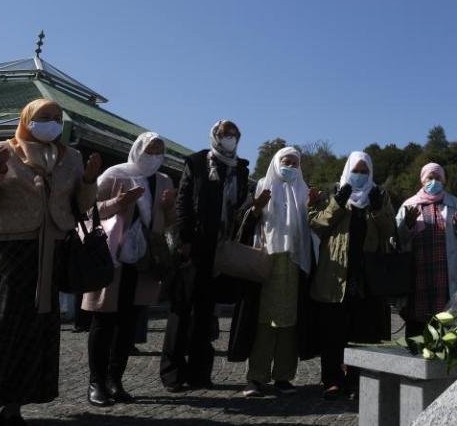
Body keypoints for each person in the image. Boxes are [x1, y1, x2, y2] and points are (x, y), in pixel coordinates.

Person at [0, 98, 101, 426]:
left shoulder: (71, 157)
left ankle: (14, 406)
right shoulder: (1, 149)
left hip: (54, 250)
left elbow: (82, 207)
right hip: (9, 249)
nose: (52, 122)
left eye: (57, 118)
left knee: (36, 329)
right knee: (1, 325)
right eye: (44, 117)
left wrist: (88, 181)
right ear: (27, 119)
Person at [83, 133, 176, 406]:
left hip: (145, 261)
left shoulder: (164, 180)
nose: (155, 154)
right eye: (150, 148)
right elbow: (88, 209)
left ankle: (115, 379)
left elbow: (169, 223)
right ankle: (96, 382)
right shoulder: (115, 175)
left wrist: (169, 208)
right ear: (138, 148)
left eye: (160, 150)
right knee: (104, 321)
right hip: (111, 258)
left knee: (128, 323)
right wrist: (119, 203)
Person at [160, 120, 249, 392]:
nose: (229, 138)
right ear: (215, 135)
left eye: (234, 134)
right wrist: (184, 239)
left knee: (206, 313)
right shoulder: (198, 162)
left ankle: (200, 372)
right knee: (181, 312)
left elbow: (238, 206)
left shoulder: (240, 168)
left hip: (221, 247)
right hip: (194, 245)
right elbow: (184, 199)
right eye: (225, 134)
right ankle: (172, 373)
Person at [309, 151, 396, 399]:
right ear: (348, 169)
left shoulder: (379, 195)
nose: (359, 175)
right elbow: (317, 226)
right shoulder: (334, 192)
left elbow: (390, 230)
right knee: (333, 331)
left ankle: (357, 381)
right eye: (356, 170)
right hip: (336, 273)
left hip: (366, 275)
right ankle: (332, 380)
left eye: (364, 171)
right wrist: (337, 202)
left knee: (363, 332)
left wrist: (378, 209)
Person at [237, 147, 317, 398]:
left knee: (289, 323)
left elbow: (312, 225)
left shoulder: (304, 190)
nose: (290, 166)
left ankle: (283, 376)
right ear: (276, 162)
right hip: (268, 259)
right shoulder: (263, 185)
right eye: (286, 161)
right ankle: (256, 377)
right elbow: (247, 222)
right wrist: (256, 208)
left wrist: (314, 206)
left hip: (295, 261)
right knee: (264, 321)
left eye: (294, 163)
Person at [395, 162, 457, 336]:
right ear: (423, 180)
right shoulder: (409, 205)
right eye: (430, 178)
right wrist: (407, 224)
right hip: (418, 278)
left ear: (443, 181)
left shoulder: (455, 204)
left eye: (438, 178)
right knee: (416, 330)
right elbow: (396, 240)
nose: (434, 181)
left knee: (447, 326)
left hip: (445, 279)